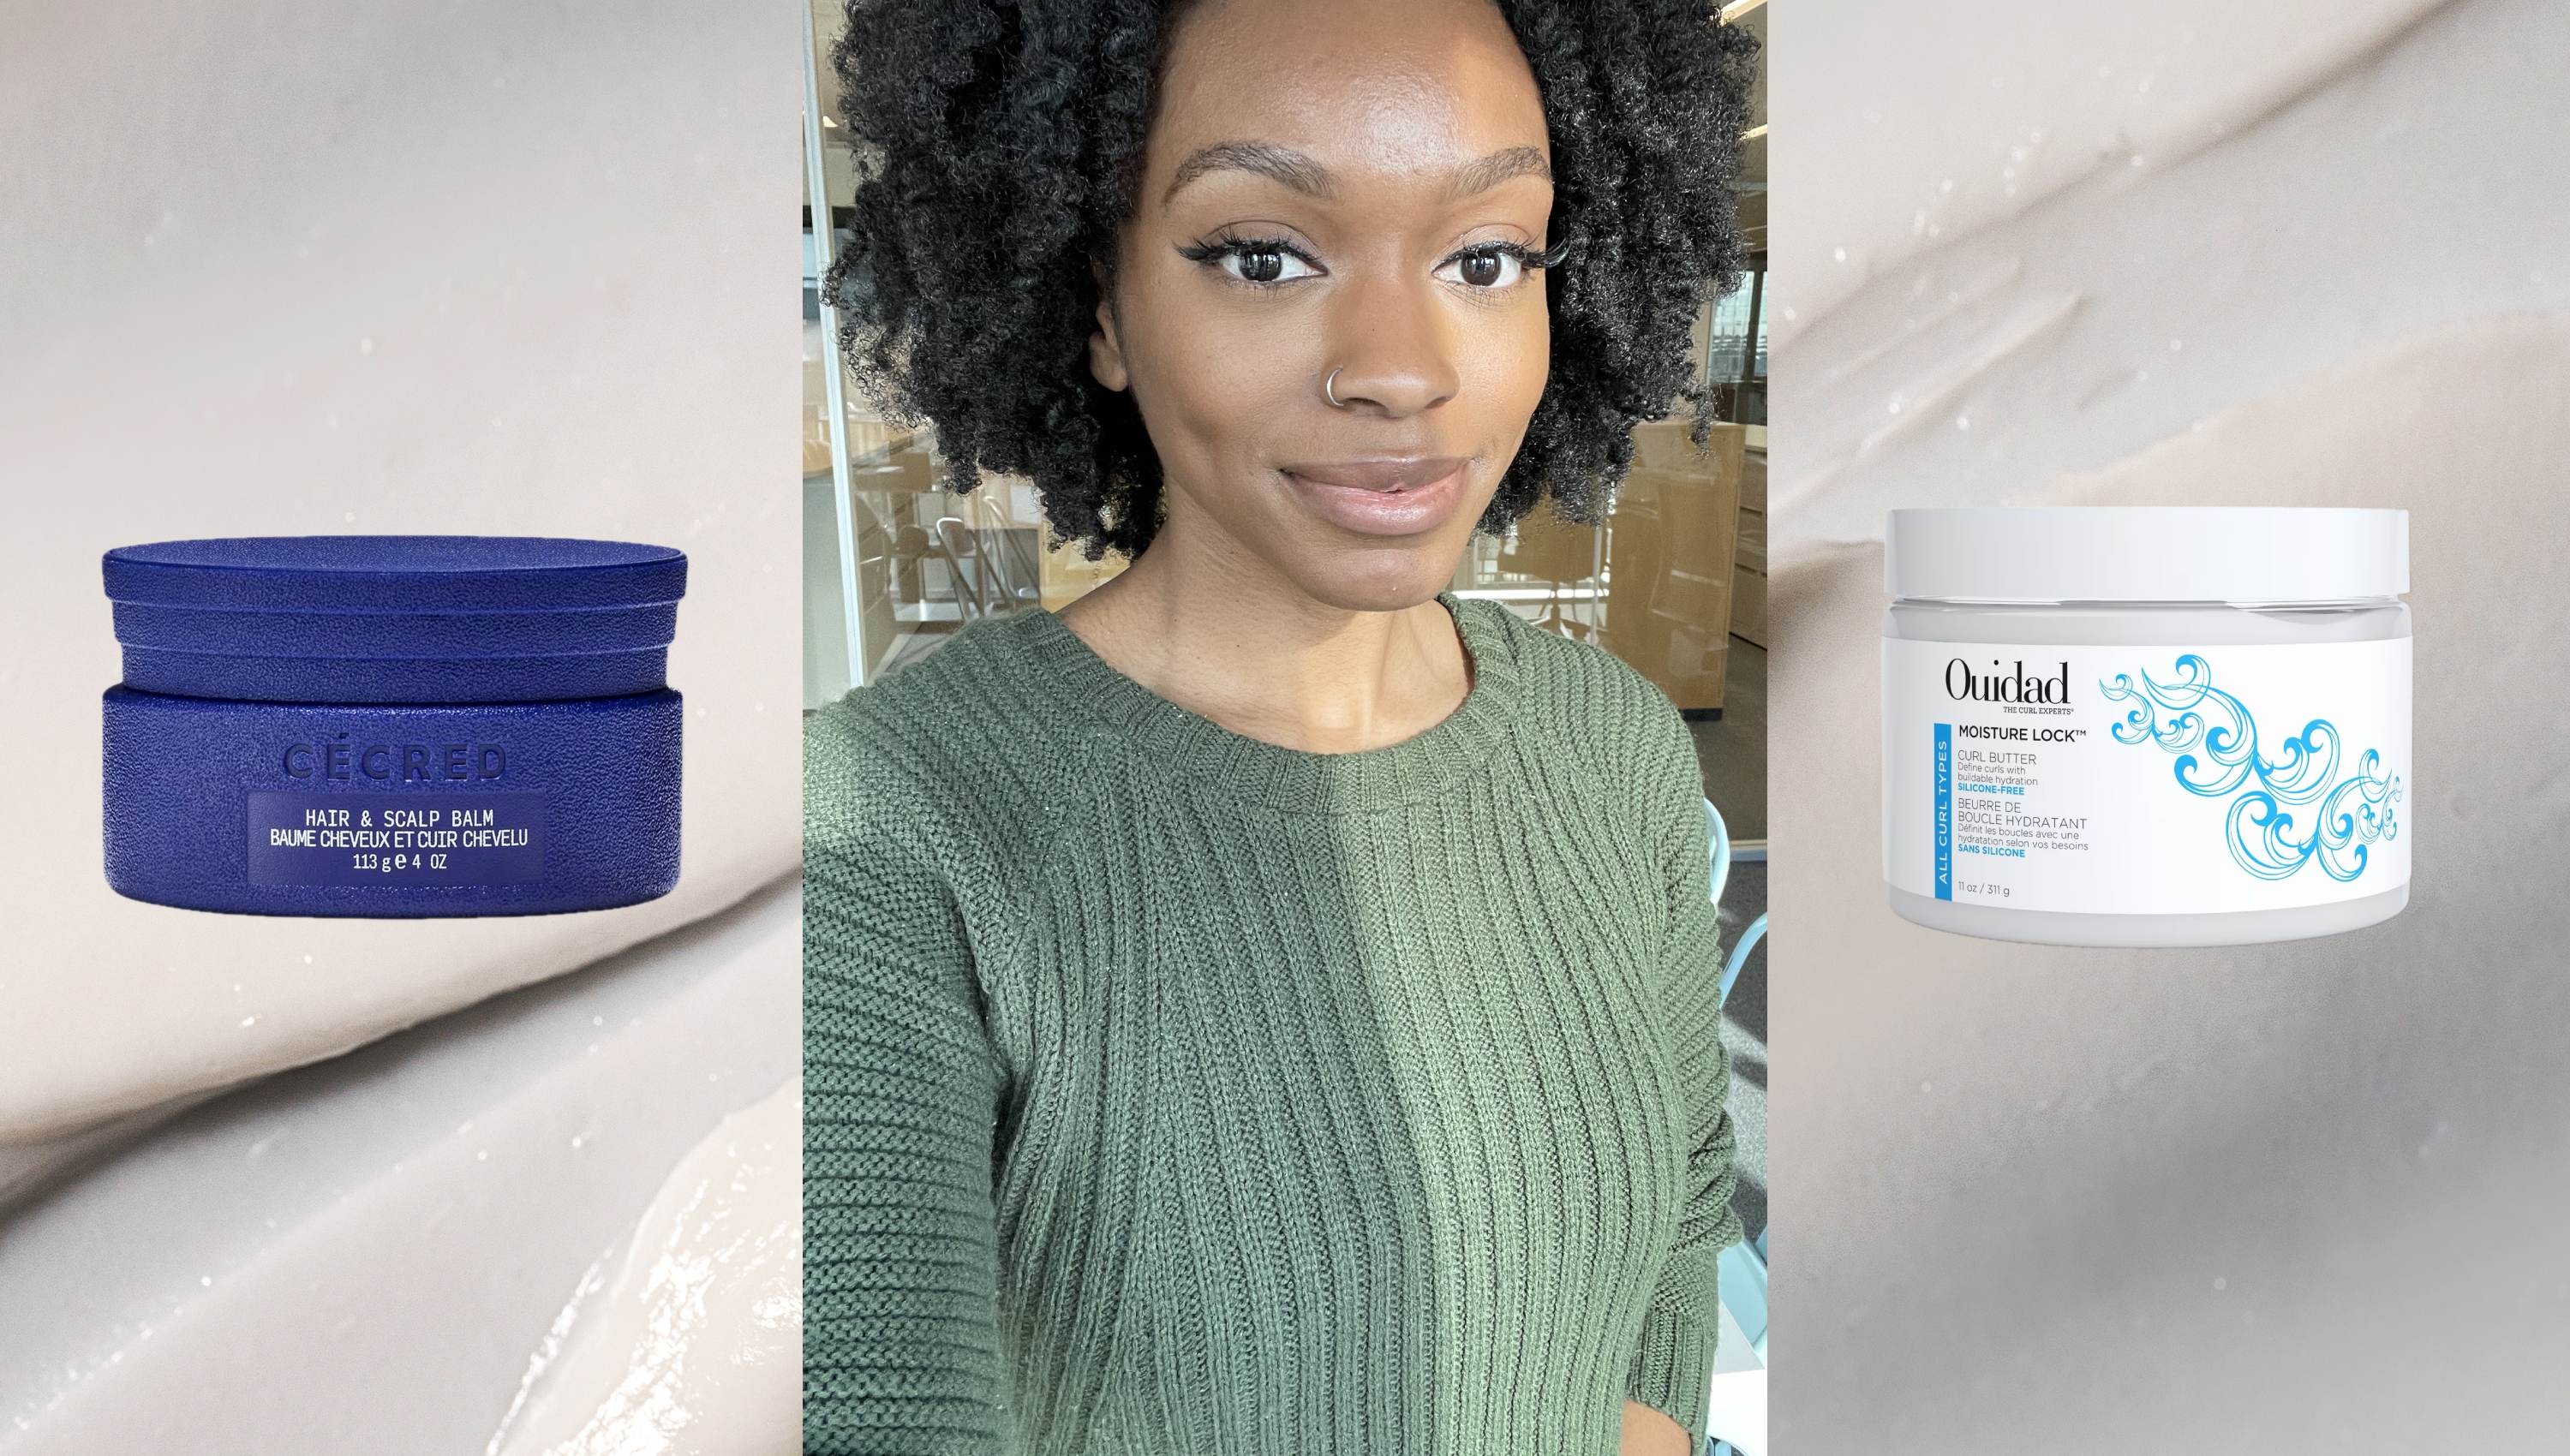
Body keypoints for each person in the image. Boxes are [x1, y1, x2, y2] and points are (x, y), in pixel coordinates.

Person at [803, 1, 1754, 1451]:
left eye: (1485, 258)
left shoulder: (1612, 747)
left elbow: (1679, 1226)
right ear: (1101, 306)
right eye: (1264, 255)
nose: (1401, 366)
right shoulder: (895, 823)